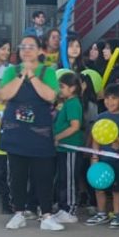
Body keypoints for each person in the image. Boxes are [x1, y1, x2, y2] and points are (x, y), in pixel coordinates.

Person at [0, 35, 62, 231]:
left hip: (39, 131)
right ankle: (18, 213)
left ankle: (47, 215)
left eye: (31, 47)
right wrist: (21, 76)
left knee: (43, 174)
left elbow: (50, 96)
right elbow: (4, 95)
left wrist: (32, 76)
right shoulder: (11, 71)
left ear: (39, 50)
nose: (26, 50)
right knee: (17, 173)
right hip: (15, 129)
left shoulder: (48, 72)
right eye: (23, 46)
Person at [88, 84, 119, 227]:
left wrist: (116, 139)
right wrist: (94, 157)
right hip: (102, 160)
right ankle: (102, 213)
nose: (109, 102)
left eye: (114, 98)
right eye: (107, 98)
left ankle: (117, 214)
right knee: (98, 186)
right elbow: (95, 138)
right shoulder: (101, 117)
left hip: (118, 159)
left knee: (117, 189)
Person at [52, 72, 85, 224]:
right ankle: (63, 207)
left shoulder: (73, 104)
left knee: (70, 180)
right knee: (63, 179)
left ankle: (70, 209)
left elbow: (75, 126)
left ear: (72, 88)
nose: (60, 90)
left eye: (62, 87)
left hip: (70, 149)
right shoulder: (67, 103)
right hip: (63, 149)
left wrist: (57, 137)